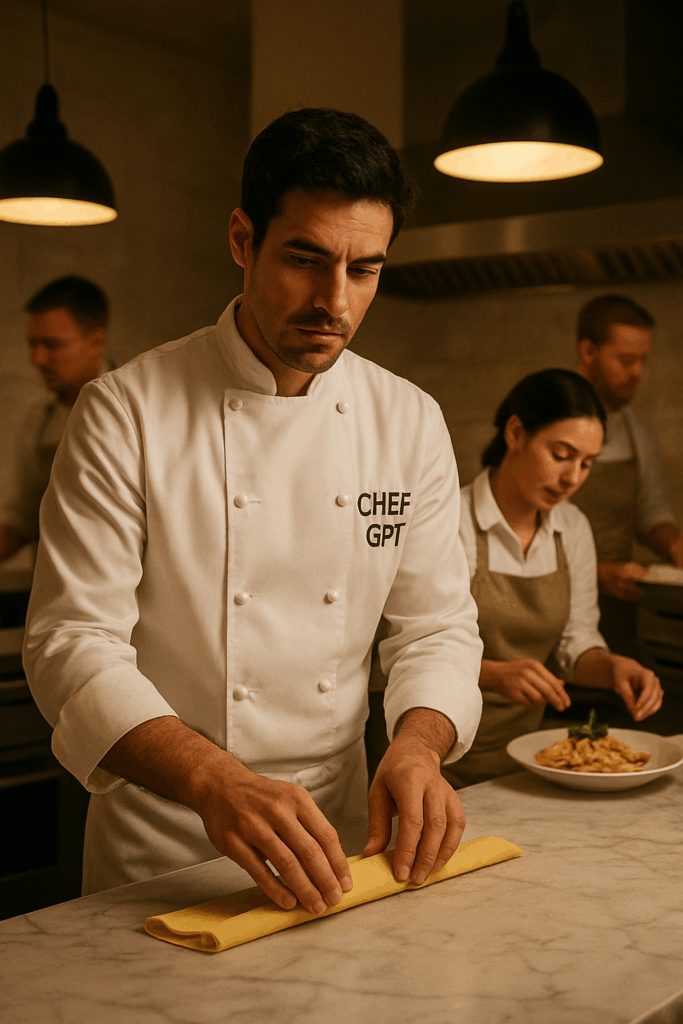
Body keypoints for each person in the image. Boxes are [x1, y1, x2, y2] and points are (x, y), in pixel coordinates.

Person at [24, 108, 484, 915]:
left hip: (341, 839)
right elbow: (70, 643)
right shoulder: (125, 411)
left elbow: (435, 627)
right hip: (162, 845)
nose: (333, 301)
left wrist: (417, 746)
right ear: (242, 240)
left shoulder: (407, 420)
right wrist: (214, 779)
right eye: (305, 259)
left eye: (364, 270)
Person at [441, 369, 663, 788]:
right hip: (436, 756)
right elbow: (399, 652)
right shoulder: (451, 519)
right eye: (561, 455)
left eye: (586, 464)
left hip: (522, 758)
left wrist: (612, 667)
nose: (572, 478)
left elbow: (574, 644)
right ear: (516, 433)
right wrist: (494, 674)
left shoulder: (572, 527)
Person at [573, 295, 683, 657]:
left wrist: (673, 544)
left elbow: (651, 513)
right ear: (588, 351)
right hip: (554, 609)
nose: (637, 372)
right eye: (626, 360)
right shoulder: (548, 422)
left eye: (642, 361)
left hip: (616, 617)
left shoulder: (638, 433)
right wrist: (597, 573)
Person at [0, 276, 110, 563]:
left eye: (51, 345)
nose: (37, 359)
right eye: (32, 345)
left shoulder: (133, 410)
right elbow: (23, 514)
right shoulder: (41, 419)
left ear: (96, 342)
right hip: (52, 590)